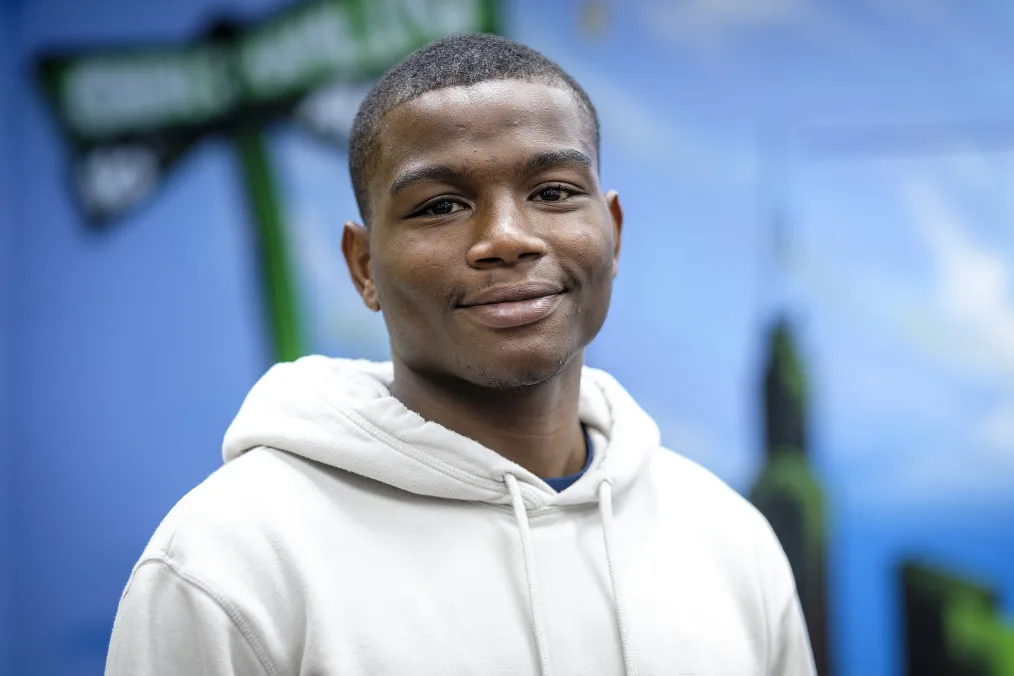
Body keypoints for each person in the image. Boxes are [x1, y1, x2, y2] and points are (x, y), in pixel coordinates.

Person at [105, 34, 816, 676]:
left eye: (555, 192)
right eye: (440, 206)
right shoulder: (227, 562)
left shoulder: (727, 540)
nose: (508, 237)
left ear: (614, 231)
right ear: (363, 266)